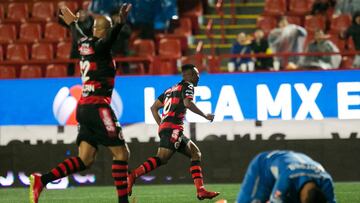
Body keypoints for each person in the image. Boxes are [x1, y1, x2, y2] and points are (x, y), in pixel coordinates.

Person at [29, 4, 132, 203]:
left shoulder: (83, 43)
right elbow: (108, 40)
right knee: (122, 153)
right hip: (98, 106)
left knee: (85, 159)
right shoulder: (102, 47)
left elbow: (77, 34)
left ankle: (42, 180)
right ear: (102, 30)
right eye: (108, 28)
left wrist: (73, 24)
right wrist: (119, 23)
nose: (110, 32)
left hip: (83, 108)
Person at [127, 64, 220, 200]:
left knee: (195, 153)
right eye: (197, 75)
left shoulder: (170, 89)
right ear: (191, 75)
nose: (199, 78)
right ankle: (133, 175)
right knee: (162, 158)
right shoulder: (188, 86)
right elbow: (188, 103)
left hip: (170, 128)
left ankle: (201, 190)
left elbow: (153, 108)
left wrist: (162, 125)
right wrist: (205, 115)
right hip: (173, 128)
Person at [237, 150, 336, 203]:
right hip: (263, 167)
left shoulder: (326, 181)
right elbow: (275, 200)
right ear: (304, 198)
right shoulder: (288, 178)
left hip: (290, 164)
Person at [59, 9, 94, 76]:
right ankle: (69, 78)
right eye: (79, 14)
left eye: (83, 13)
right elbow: (61, 21)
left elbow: (89, 27)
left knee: (87, 65)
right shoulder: (73, 24)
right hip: (75, 48)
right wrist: (61, 10)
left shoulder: (89, 23)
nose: (81, 15)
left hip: (86, 48)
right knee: (71, 64)